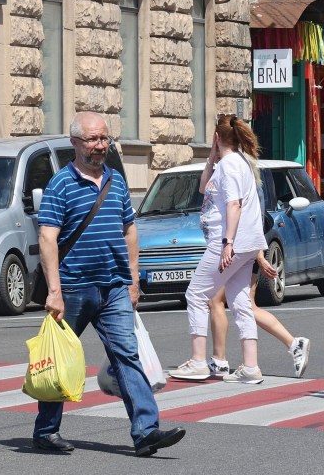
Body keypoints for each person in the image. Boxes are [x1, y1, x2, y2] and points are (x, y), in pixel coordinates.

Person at [34, 111, 185, 456]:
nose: (100, 146)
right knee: (60, 360)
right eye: (92, 140)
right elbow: (47, 238)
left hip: (114, 286)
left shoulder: (116, 181)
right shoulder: (61, 184)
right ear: (75, 143)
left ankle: (146, 431)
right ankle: (45, 431)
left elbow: (130, 232)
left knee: (126, 356)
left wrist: (133, 280)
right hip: (73, 289)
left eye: (104, 139)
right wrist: (54, 291)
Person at [170, 114, 268, 384]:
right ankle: (250, 367)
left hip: (229, 242)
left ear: (216, 137)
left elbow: (233, 205)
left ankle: (199, 361)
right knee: (239, 301)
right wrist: (212, 158)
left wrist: (227, 243)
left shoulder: (231, 166)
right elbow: (204, 188)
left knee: (196, 294)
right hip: (247, 244)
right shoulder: (234, 164)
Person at [205, 210, 310, 379]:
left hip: (241, 252)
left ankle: (219, 361)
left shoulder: (245, 186)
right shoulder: (246, 185)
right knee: (248, 306)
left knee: (216, 301)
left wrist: (260, 258)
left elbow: (255, 222)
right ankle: (294, 344)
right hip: (245, 252)